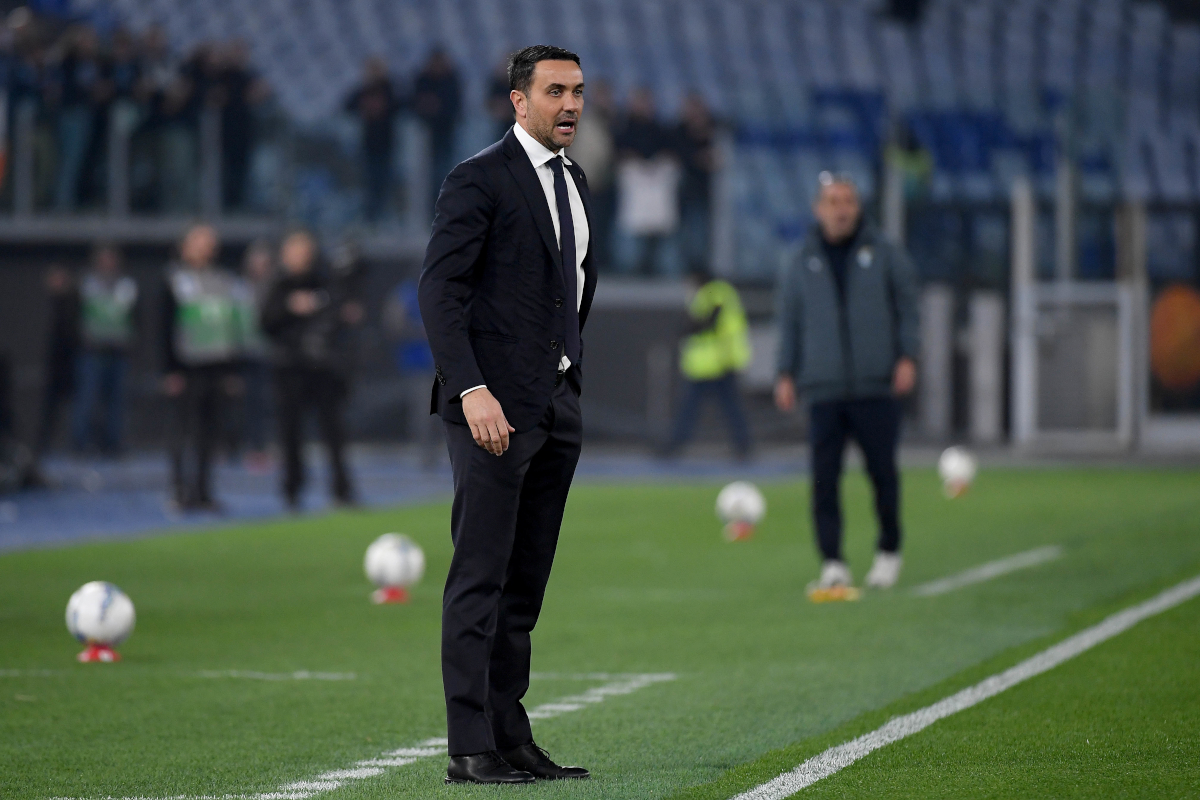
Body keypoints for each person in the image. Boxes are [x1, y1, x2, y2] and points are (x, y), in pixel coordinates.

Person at [417, 44, 596, 785]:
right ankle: (469, 745)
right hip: (490, 411)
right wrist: (471, 388)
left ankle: (508, 735)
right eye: (555, 91)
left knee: (523, 589)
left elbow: (572, 289)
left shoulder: (574, 179)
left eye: (578, 91)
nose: (571, 104)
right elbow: (440, 292)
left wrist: (565, 378)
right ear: (518, 101)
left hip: (553, 407)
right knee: (480, 579)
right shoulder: (478, 177)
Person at [774, 173, 919, 591]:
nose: (841, 209)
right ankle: (833, 561)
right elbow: (790, 321)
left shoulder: (885, 253)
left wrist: (907, 356)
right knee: (824, 480)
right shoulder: (800, 259)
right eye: (833, 201)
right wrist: (785, 372)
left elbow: (908, 308)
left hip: (875, 384)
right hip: (824, 386)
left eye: (848, 201)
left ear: (858, 207)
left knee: (882, 475)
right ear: (818, 209)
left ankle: (889, 550)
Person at [260, 230, 356, 510]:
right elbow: (264, 321)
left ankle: (342, 490)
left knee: (334, 432)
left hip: (323, 367)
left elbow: (340, 315)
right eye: (295, 250)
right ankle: (292, 490)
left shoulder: (324, 281)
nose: (301, 256)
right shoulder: (276, 284)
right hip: (289, 368)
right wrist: (290, 307)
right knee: (290, 433)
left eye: (305, 250)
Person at [162, 224, 240, 511]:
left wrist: (232, 370)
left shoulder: (224, 281)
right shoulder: (174, 279)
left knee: (209, 433)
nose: (205, 248)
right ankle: (179, 490)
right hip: (186, 366)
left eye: (209, 243)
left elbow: (232, 326)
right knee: (182, 430)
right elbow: (164, 326)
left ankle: (204, 491)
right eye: (199, 242)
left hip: (216, 366)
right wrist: (170, 369)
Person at [663, 268, 752, 459]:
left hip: (718, 362)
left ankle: (743, 446)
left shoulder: (715, 292)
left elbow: (708, 321)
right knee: (698, 408)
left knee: (720, 408)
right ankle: (675, 445)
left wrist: (688, 329)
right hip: (708, 364)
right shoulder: (709, 294)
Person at [72, 244, 138, 455]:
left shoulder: (126, 286)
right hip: (92, 351)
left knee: (117, 402)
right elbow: (75, 314)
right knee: (87, 399)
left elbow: (135, 317)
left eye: (111, 259)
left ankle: (113, 443)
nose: (108, 263)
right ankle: (81, 444)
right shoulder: (87, 284)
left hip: (118, 352)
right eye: (104, 259)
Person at [614, 87, 680, 275]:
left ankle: (656, 272)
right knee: (632, 236)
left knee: (658, 236)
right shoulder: (623, 128)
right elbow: (618, 154)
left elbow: (670, 154)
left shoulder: (660, 129)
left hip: (656, 191)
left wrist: (654, 164)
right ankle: (629, 272)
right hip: (634, 192)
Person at [233, 239, 274, 471]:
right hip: (242, 354)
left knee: (262, 404)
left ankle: (260, 448)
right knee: (239, 403)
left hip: (267, 354)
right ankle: (233, 446)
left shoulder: (274, 288)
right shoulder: (238, 289)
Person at [344, 57, 401, 223]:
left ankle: (383, 218)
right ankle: (370, 218)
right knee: (368, 184)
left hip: (387, 144)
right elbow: (348, 105)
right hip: (368, 144)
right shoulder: (364, 90)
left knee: (384, 183)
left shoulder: (390, 90)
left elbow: (400, 106)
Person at [35, 265, 81, 458]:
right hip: (52, 364)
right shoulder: (46, 304)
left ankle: (77, 445)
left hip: (71, 362)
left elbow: (72, 334)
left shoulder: (73, 303)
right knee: (49, 408)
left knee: (77, 406)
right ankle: (42, 445)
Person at [412, 48, 461, 212]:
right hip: (424, 136)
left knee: (444, 173)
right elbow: (414, 103)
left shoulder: (451, 80)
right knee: (425, 176)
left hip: (446, 134)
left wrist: (436, 107)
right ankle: (429, 211)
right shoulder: (423, 80)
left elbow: (454, 106)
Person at [674, 93, 718, 275]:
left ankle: (699, 269)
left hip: (705, 192)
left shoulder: (712, 130)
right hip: (684, 192)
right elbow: (683, 157)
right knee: (686, 232)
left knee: (701, 233)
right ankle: (686, 268)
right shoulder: (680, 131)